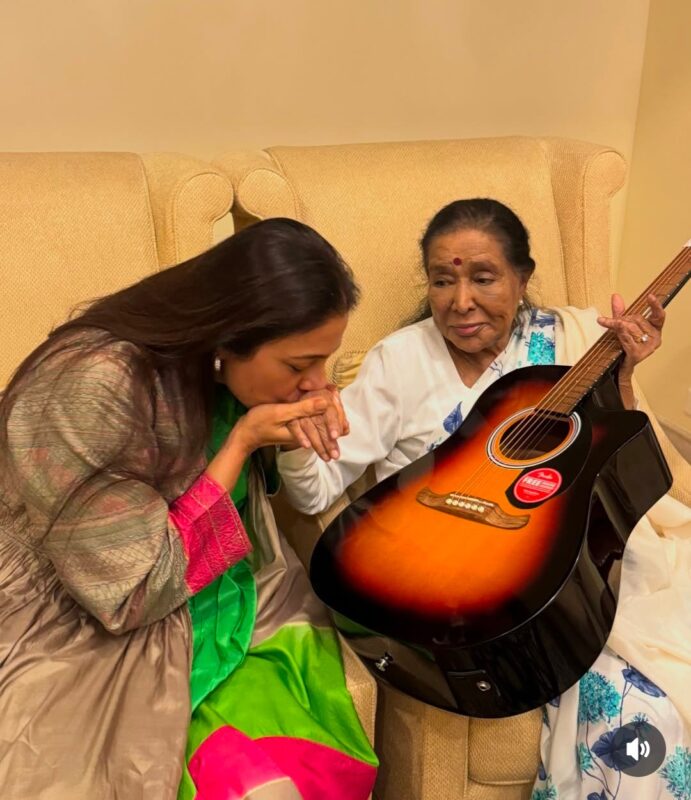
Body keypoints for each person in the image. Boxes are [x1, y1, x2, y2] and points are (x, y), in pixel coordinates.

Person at [277, 199, 691, 799]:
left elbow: (615, 461)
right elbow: (313, 488)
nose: (461, 301)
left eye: (484, 278)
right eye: (443, 280)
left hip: (572, 565)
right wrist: (294, 431)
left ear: (523, 277)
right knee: (639, 720)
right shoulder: (401, 360)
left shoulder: (574, 339)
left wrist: (623, 375)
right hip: (450, 576)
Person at [0, 218, 378, 800]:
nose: (315, 384)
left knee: (299, 768)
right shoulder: (93, 387)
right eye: (297, 366)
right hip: (86, 598)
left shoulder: (212, 367)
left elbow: (289, 493)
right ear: (229, 335)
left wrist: (292, 431)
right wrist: (242, 442)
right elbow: (130, 593)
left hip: (223, 577)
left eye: (323, 362)